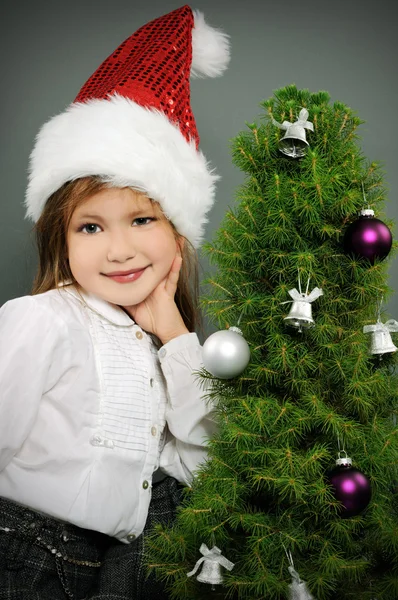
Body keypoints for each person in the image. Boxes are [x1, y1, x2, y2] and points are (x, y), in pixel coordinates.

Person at [0, 5, 230, 599]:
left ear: (177, 233)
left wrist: (175, 335)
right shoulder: (43, 319)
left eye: (142, 219)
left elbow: (205, 465)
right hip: (25, 553)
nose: (119, 249)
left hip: (116, 568)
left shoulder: (161, 345)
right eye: (90, 228)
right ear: (62, 240)